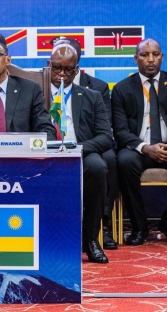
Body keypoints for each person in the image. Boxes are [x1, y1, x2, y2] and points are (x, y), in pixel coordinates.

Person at [112, 39, 167, 246]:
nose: (150, 59)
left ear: (162, 57)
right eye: (144, 55)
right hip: (139, 149)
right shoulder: (122, 89)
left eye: (155, 54)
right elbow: (120, 131)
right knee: (124, 163)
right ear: (136, 59)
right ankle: (139, 228)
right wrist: (145, 148)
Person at [51, 36, 118, 250]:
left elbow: (106, 137)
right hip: (45, 151)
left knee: (98, 166)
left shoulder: (92, 96)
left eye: (68, 70)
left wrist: (77, 149)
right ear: (48, 65)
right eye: (56, 68)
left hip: (80, 150)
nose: (61, 74)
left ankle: (90, 239)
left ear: (77, 70)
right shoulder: (35, 92)